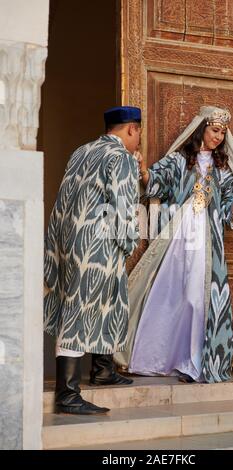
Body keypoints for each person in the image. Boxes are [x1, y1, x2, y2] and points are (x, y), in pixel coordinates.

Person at [114, 105, 233, 384]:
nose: (218, 137)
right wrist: (142, 170)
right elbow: (154, 185)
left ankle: (195, 363)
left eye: (222, 132)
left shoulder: (223, 171)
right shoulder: (177, 161)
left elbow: (225, 212)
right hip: (177, 240)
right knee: (171, 297)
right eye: (214, 130)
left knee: (199, 300)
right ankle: (158, 358)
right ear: (201, 130)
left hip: (207, 243)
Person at [44, 106, 142, 414]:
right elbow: (124, 205)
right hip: (98, 243)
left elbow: (63, 196)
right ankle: (67, 394)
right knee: (79, 308)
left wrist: (57, 242)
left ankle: (102, 371)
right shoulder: (122, 158)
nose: (138, 141)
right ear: (131, 130)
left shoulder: (81, 151)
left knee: (108, 303)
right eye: (138, 134)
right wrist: (128, 243)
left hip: (69, 237)